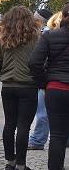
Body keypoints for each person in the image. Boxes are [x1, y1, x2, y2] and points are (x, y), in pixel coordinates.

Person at [0, 6, 41, 170]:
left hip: (8, 87)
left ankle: (10, 162)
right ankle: (21, 166)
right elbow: (40, 61)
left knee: (9, 124)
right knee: (24, 126)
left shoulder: (3, 39)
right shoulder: (35, 38)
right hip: (28, 86)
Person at [28, 3, 69, 170]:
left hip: (57, 88)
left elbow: (35, 62)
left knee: (58, 137)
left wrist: (44, 82)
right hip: (57, 85)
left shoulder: (50, 36)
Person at [29, 8, 54, 151]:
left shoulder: (45, 35)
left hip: (46, 79)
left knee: (43, 112)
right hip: (54, 78)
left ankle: (38, 140)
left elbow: (39, 60)